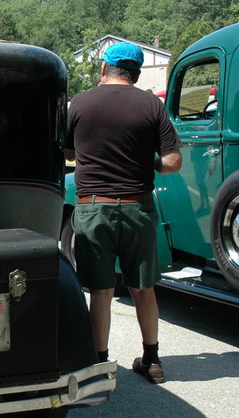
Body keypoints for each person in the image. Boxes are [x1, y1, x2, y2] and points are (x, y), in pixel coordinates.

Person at [66, 42, 182, 384]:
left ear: (104, 69)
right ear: (137, 73)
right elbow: (173, 162)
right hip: (137, 208)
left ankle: (99, 365)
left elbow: (68, 152)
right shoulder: (152, 105)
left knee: (101, 292)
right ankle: (152, 361)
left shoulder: (80, 103)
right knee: (143, 288)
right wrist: (149, 159)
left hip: (93, 208)